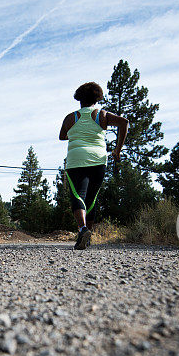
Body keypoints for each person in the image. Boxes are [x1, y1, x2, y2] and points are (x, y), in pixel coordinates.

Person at [59, 82, 128, 250]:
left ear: (79, 99)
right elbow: (124, 122)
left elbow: (62, 136)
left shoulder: (71, 117)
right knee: (91, 198)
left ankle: (82, 229)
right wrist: (117, 150)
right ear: (97, 99)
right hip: (98, 160)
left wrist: (78, 135)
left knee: (78, 195)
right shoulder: (101, 115)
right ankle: (88, 235)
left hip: (76, 159)